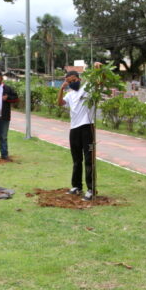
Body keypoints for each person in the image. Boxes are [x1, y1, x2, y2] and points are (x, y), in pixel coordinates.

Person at [57, 70, 95, 201]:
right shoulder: (69, 94)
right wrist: (62, 89)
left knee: (89, 159)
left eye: (74, 80)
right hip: (74, 129)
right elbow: (60, 103)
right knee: (76, 159)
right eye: (69, 82)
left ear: (79, 78)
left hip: (87, 127)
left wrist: (97, 68)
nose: (73, 83)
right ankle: (77, 186)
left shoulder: (87, 88)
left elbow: (98, 81)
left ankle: (91, 189)